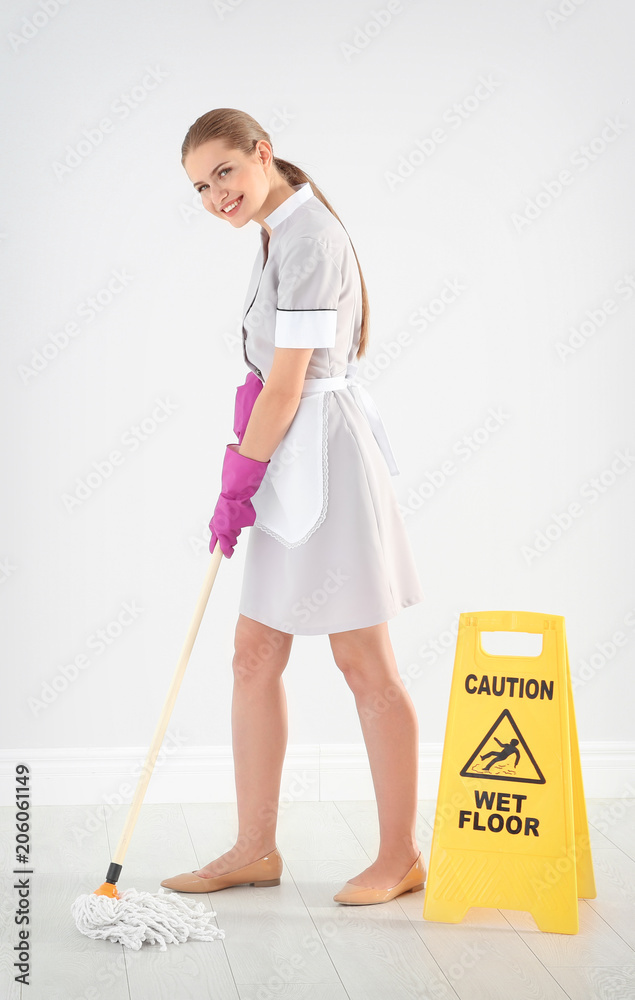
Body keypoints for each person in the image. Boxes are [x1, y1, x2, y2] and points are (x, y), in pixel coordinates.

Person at [161, 108, 426, 905]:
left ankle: (398, 856)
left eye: (224, 174)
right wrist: (248, 465)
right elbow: (269, 383)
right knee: (252, 656)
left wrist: (238, 478)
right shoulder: (276, 230)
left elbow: (287, 383)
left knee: (362, 661)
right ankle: (254, 847)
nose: (215, 195)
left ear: (262, 154)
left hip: (323, 465)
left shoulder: (309, 237)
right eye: (200, 187)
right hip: (282, 455)